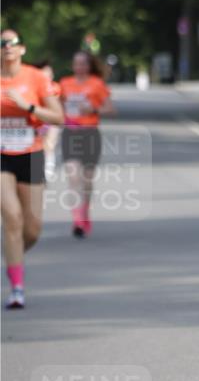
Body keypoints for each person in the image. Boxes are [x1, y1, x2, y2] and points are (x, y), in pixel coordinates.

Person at [1, 30, 64, 309]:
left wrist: (26, 105)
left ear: (22, 48)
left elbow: (58, 117)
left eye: (11, 43)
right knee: (12, 219)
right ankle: (17, 288)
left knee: (32, 229)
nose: (6, 48)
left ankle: (13, 256)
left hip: (32, 153)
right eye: (1, 44)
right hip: (2, 155)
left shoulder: (36, 78)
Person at [59, 50, 114, 237]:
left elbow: (110, 109)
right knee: (73, 177)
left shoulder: (96, 84)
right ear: (73, 65)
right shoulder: (65, 84)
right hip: (71, 133)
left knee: (87, 179)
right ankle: (77, 220)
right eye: (77, 63)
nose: (80, 67)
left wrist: (93, 108)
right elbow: (56, 106)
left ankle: (85, 211)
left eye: (83, 63)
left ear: (89, 66)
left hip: (90, 133)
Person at [32, 59, 61, 181]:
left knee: (49, 144)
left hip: (51, 121)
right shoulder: (32, 88)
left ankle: (48, 170)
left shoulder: (56, 87)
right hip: (36, 122)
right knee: (38, 145)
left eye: (49, 74)